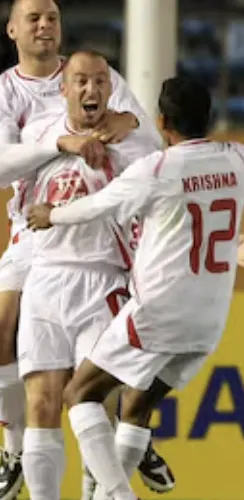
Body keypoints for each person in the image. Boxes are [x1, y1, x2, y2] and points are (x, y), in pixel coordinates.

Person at [24, 75, 244, 500]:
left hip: (159, 311)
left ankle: (119, 494)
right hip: (209, 320)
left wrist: (52, 215)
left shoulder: (157, 169)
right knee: (136, 407)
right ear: (209, 118)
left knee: (80, 393)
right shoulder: (239, 158)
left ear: (161, 122)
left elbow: (96, 207)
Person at [0, 1, 172, 498]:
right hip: (35, 239)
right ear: (12, 30)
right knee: (19, 358)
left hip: (102, 259)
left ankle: (135, 433)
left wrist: (131, 123)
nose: (44, 25)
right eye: (34, 18)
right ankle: (13, 448)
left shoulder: (102, 79)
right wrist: (60, 144)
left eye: (52, 17)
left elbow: (151, 145)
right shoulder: (15, 99)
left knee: (93, 389)